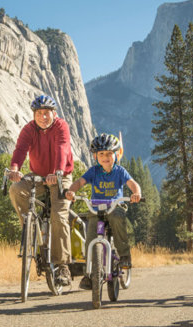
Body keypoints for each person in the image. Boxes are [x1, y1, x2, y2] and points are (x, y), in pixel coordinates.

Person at [8, 94, 74, 286]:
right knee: (15, 189)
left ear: (54, 113)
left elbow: (63, 147)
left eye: (47, 113)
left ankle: (63, 267)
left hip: (61, 176)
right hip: (37, 176)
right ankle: (30, 229)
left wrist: (58, 172)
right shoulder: (29, 129)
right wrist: (14, 170)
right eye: (39, 113)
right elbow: (20, 150)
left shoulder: (61, 126)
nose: (43, 117)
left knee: (59, 216)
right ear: (34, 114)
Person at [64, 133, 141, 290]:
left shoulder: (120, 171)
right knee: (90, 237)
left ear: (116, 154)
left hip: (114, 207)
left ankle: (124, 256)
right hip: (96, 208)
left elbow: (132, 183)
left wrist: (136, 193)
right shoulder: (93, 171)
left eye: (109, 153)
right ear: (95, 156)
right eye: (101, 154)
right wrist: (71, 191)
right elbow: (79, 182)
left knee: (117, 219)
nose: (105, 157)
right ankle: (90, 274)